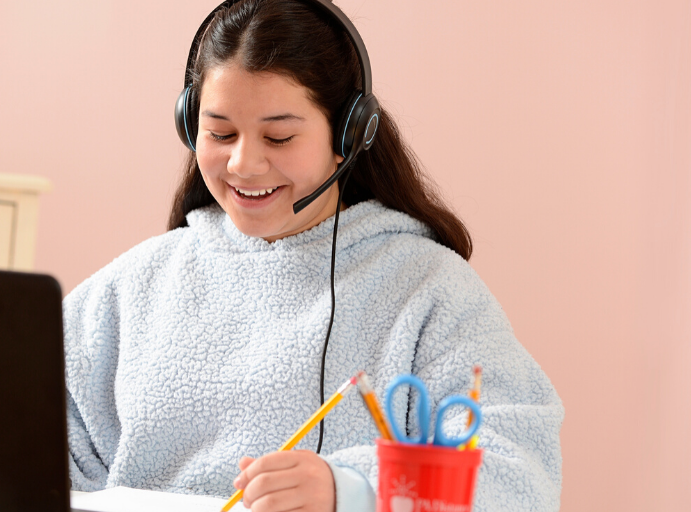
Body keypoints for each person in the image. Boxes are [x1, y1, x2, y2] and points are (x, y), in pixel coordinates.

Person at [63, 1, 563, 511]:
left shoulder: (428, 289)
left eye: (279, 136)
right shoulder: (128, 288)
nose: (243, 163)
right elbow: (24, 450)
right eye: (220, 134)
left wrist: (352, 489)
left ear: (349, 133)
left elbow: (519, 474)